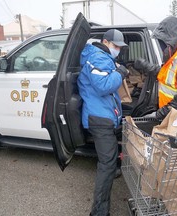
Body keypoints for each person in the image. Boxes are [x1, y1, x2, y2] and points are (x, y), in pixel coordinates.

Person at [77, 29, 128, 216]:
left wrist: (117, 69)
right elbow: (103, 86)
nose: (118, 50)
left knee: (110, 159)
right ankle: (98, 212)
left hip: (104, 115)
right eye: (115, 46)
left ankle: (113, 170)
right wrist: (121, 73)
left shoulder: (101, 57)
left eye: (120, 47)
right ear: (105, 42)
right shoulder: (98, 57)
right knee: (106, 164)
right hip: (99, 118)